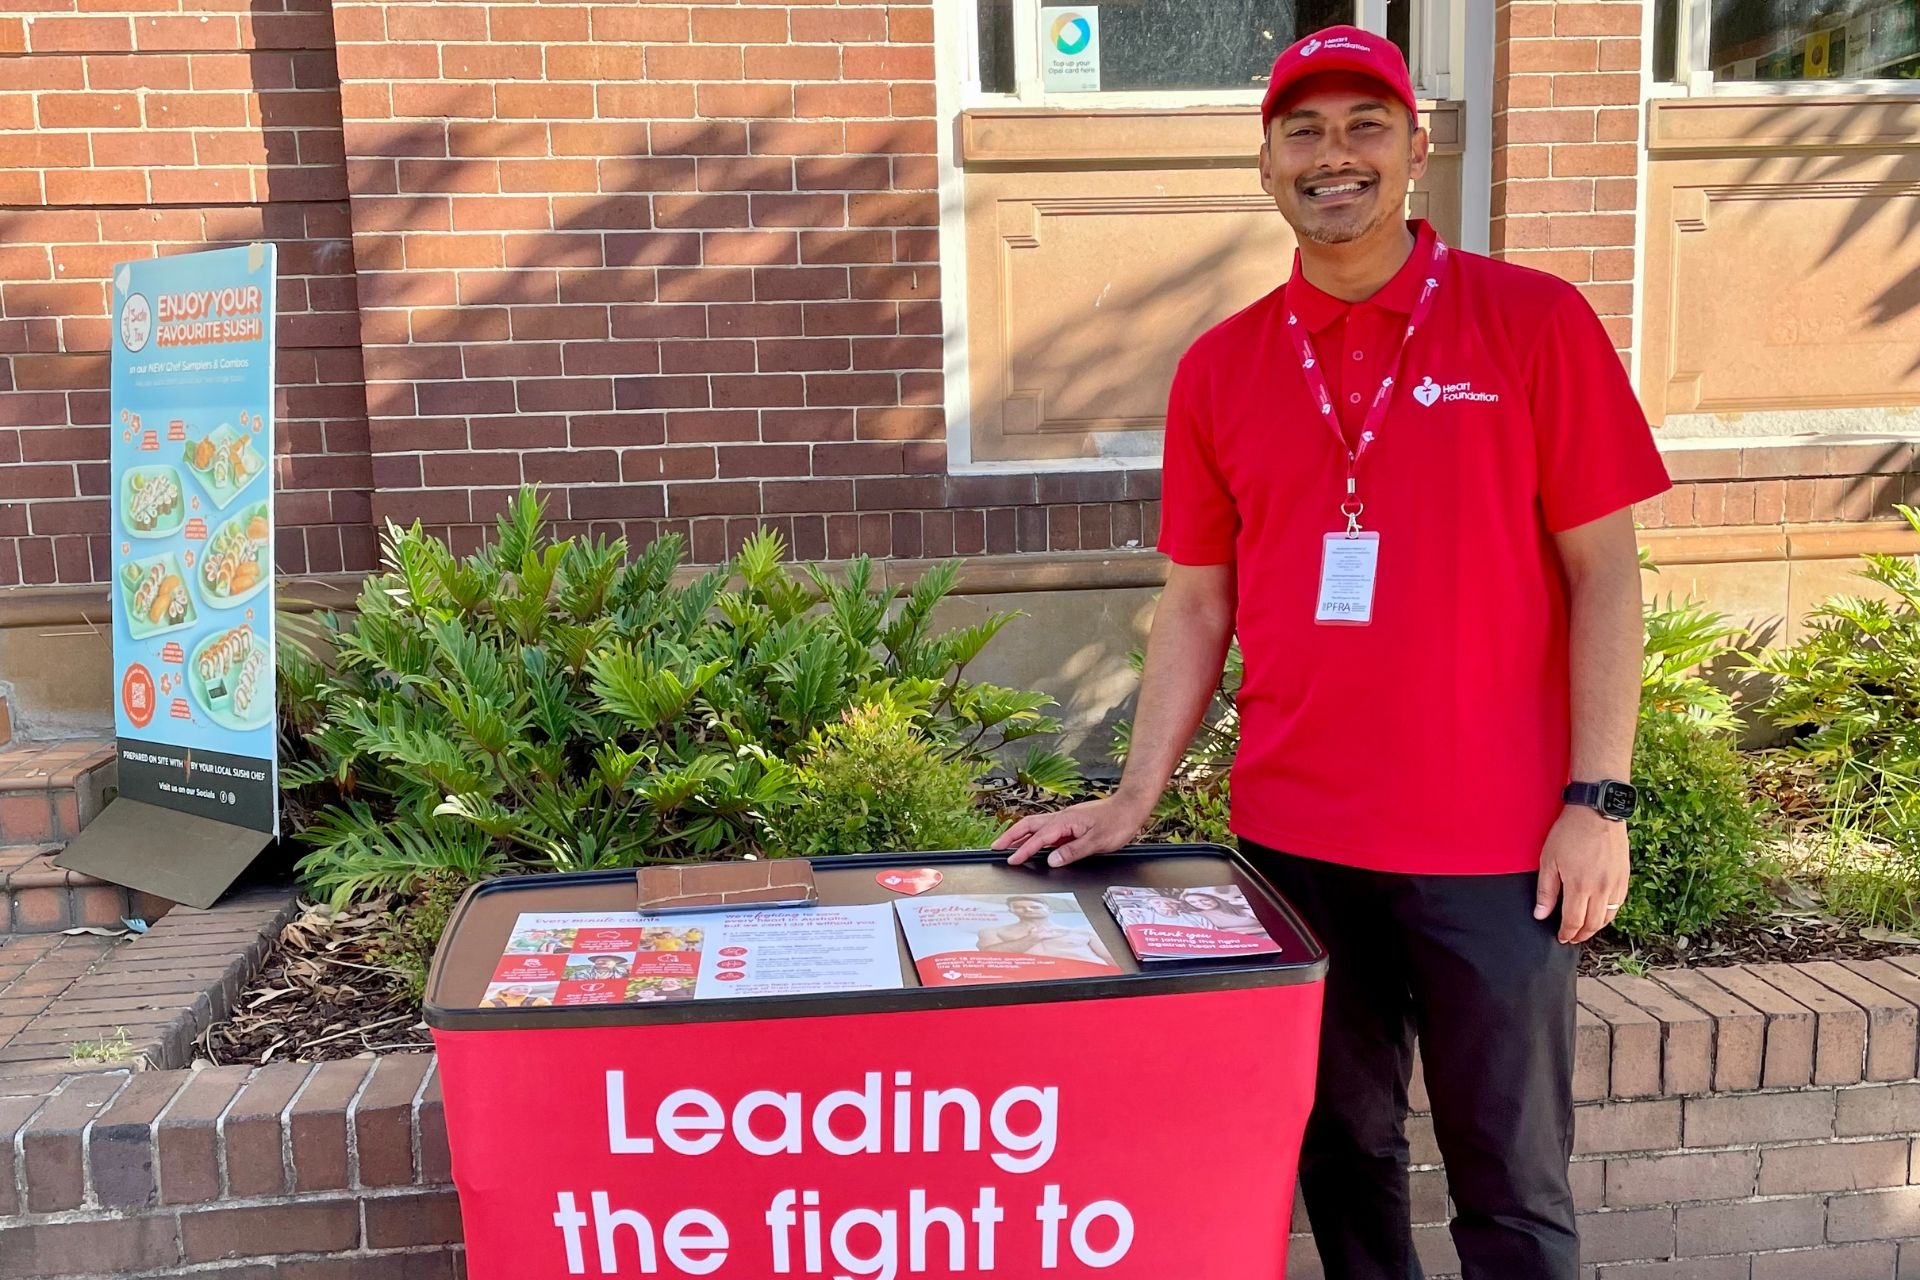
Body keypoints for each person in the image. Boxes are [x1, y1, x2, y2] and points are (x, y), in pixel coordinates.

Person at [994, 26, 1669, 1280]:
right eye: (1303, 130)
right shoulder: (1222, 366)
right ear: (1265, 166)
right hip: (1297, 846)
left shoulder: (1534, 322)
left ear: (1418, 147)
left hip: (1496, 848)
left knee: (1511, 1181)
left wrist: (1599, 798)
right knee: (1341, 1157)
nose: (1333, 155)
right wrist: (1136, 792)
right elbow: (1197, 602)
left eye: (1366, 124)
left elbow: (1607, 575)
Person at [975, 896, 1116, 966]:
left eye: (1035, 907)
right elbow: (988, 956)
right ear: (1010, 910)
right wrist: (1033, 938)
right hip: (1029, 983)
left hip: (1087, 977)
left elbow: (1111, 959)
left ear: (1049, 910)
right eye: (1019, 907)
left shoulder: (1083, 933)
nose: (1028, 910)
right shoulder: (992, 931)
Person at [1181, 889, 1264, 934]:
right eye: (1192, 902)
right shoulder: (1197, 916)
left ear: (1216, 899)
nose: (1200, 904)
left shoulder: (1240, 908)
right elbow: (1217, 934)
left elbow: (1266, 926)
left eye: (1205, 900)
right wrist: (1256, 930)